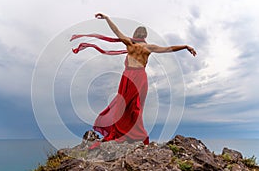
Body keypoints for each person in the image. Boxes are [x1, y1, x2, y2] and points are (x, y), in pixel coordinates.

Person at [72, 13, 196, 149]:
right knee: (136, 107)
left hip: (129, 76)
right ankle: (135, 134)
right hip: (141, 77)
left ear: (135, 34)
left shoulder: (129, 43)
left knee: (122, 105)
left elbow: (116, 31)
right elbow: (168, 49)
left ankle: (124, 133)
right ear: (145, 36)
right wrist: (185, 46)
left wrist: (107, 18)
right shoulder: (149, 48)